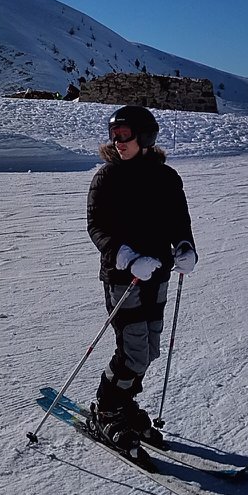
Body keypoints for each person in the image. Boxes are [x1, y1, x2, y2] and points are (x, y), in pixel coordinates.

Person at [85, 105, 197, 459]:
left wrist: (185, 247)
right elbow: (97, 227)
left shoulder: (166, 178)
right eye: (113, 134)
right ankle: (107, 408)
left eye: (124, 134)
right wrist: (126, 257)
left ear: (145, 136)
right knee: (132, 351)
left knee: (148, 350)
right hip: (123, 277)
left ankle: (124, 405)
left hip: (158, 274)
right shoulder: (107, 177)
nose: (117, 141)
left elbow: (180, 220)